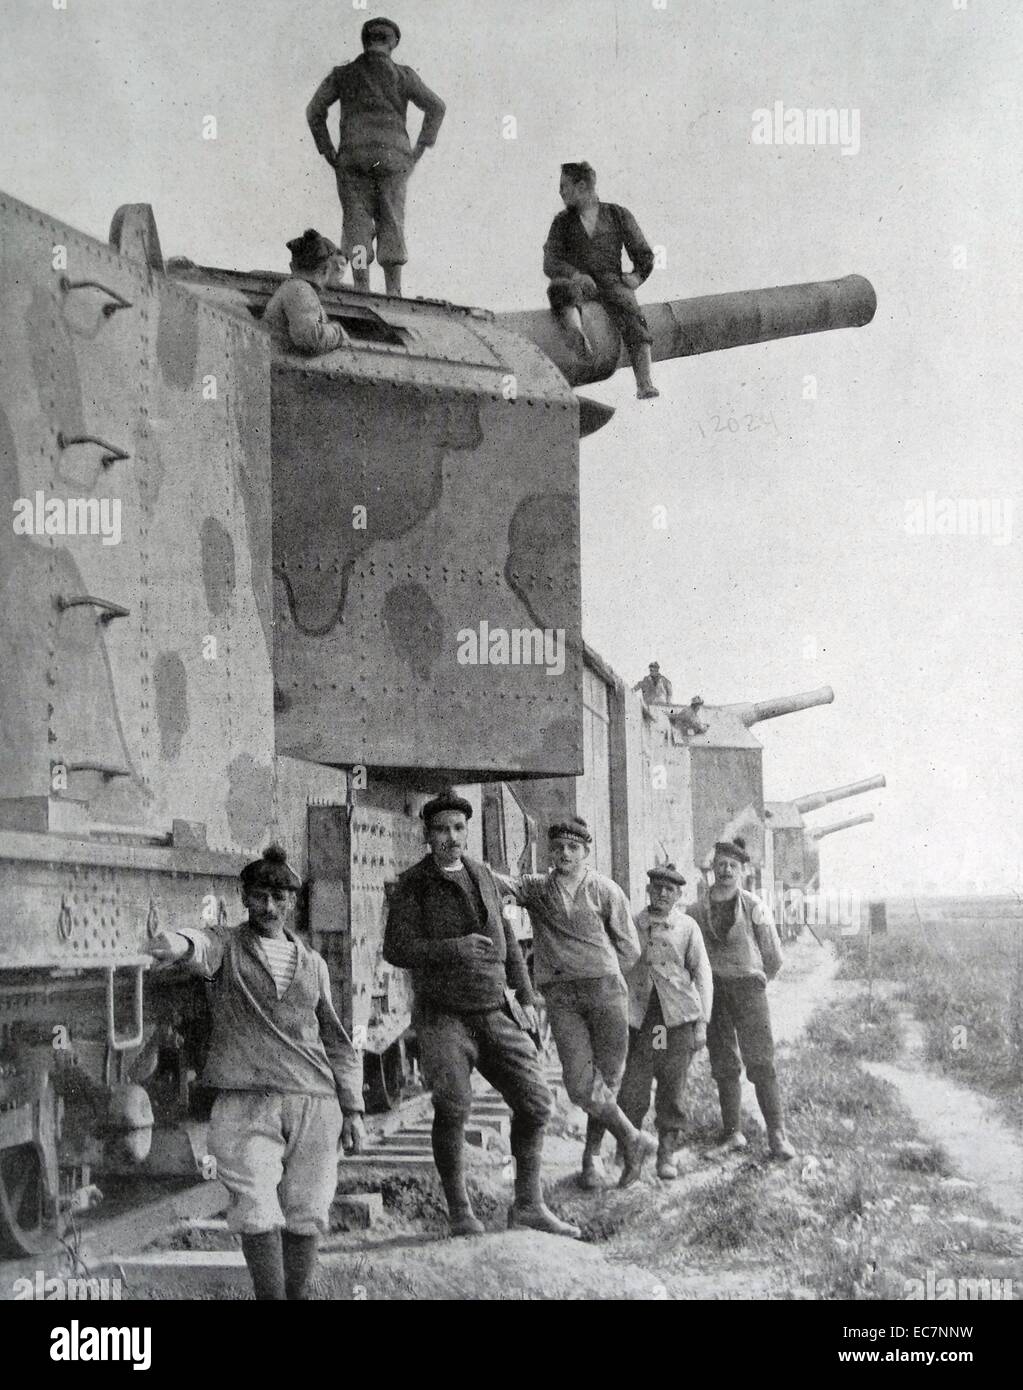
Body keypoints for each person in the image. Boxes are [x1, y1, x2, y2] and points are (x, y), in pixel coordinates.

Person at [149, 845, 366, 1300]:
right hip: (246, 1101)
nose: (269, 907)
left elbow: (337, 1040)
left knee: (308, 1209)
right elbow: (198, 945)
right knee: (255, 1207)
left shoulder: (314, 964)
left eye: (279, 897)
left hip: (314, 1099)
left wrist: (354, 1108)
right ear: (245, 898)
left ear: (292, 902)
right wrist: (174, 943)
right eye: (260, 896)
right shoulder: (227, 947)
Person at [383, 792, 580, 1239]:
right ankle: (459, 1211)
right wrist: (453, 948)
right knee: (452, 1105)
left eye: (458, 829)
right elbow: (395, 948)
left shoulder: (482, 874)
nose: (451, 838)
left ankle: (528, 1204)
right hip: (443, 1015)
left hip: (492, 1009)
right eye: (441, 830)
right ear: (427, 836)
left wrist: (526, 997)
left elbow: (506, 934)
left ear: (466, 832)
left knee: (535, 1100)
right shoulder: (415, 884)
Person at [493, 817, 657, 1191]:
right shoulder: (537, 889)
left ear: (586, 851)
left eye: (573, 848)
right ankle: (633, 1139)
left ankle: (591, 1160)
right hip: (562, 997)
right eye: (558, 848)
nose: (564, 854)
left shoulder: (604, 890)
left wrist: (600, 968)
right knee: (581, 1085)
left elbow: (630, 948)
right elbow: (502, 884)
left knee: (608, 1080)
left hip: (606, 993)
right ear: (550, 852)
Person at [306, 16, 446, 297]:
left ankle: (361, 286)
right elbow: (437, 107)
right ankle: (394, 291)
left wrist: (327, 149)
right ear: (392, 43)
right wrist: (418, 149)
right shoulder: (404, 75)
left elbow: (314, 110)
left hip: (352, 158)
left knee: (357, 223)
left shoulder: (343, 73)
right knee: (392, 220)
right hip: (394, 158)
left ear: (365, 40)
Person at [685, 838, 796, 1161]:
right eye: (720, 865)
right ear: (712, 870)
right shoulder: (695, 911)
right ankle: (732, 1134)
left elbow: (774, 955)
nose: (726, 870)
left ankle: (777, 1135)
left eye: (733, 866)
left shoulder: (754, 907)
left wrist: (758, 980)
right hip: (714, 993)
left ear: (743, 871)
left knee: (760, 1061)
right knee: (723, 1064)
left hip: (748, 989)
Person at [618, 864, 712, 1179]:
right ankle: (631, 1157)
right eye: (657, 886)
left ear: (678, 895)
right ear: (648, 890)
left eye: (669, 889)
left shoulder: (686, 927)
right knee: (634, 1087)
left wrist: (702, 1024)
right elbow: (620, 967)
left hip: (676, 1020)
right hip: (647, 1022)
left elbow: (702, 975)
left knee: (672, 1086)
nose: (661, 893)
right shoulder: (634, 925)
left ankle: (666, 1154)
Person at [543, 161, 659, 399]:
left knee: (631, 311)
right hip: (575, 284)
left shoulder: (617, 215)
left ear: (582, 185)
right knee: (558, 290)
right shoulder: (561, 222)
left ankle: (644, 381)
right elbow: (550, 261)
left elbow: (643, 252)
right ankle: (576, 335)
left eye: (564, 186)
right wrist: (575, 274)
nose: (561, 192)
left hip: (610, 281)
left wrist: (637, 276)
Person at [262, 229, 349, 355]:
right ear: (325, 269)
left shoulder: (295, 287)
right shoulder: (299, 290)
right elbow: (310, 338)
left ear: (292, 266)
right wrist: (339, 332)